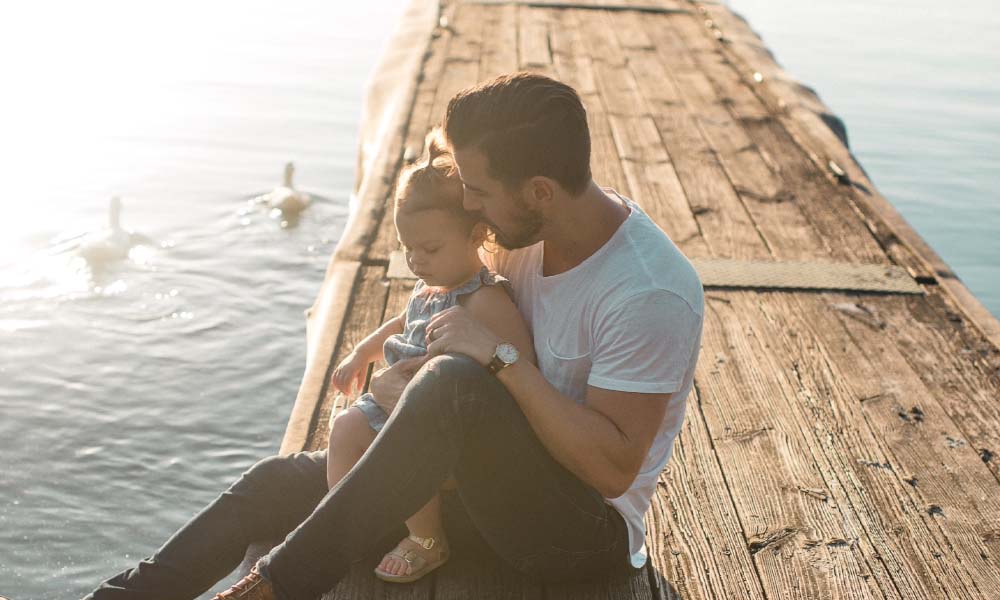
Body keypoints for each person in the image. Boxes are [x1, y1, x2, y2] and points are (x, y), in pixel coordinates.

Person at [86, 71, 703, 600]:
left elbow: (613, 469)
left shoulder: (648, 291)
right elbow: (446, 317)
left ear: (539, 191)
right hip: (471, 483)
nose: (467, 204)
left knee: (455, 382)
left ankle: (276, 586)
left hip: (574, 532)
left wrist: (497, 360)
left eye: (479, 191)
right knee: (275, 485)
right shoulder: (523, 233)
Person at [325, 128, 535, 583]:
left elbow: (518, 364)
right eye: (407, 249)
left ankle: (427, 539)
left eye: (430, 248)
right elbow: (402, 323)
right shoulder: (431, 285)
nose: (416, 261)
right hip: (397, 397)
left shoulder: (484, 299)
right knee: (343, 429)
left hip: (441, 421)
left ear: (477, 234)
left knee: (405, 450)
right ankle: (345, 523)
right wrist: (363, 352)